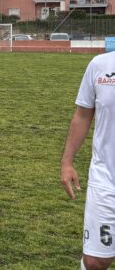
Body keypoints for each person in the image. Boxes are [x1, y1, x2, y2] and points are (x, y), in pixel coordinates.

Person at [61, 49, 115, 270]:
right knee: (95, 261)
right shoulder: (100, 64)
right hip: (106, 178)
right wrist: (67, 162)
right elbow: (83, 114)